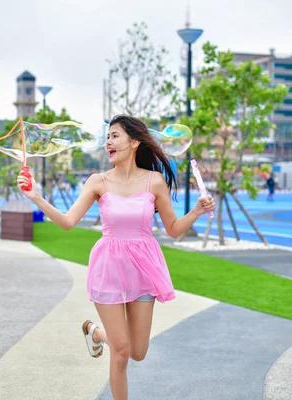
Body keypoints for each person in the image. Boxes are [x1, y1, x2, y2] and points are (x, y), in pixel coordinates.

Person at [17, 115, 216, 400]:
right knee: (121, 353)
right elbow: (67, 221)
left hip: (145, 269)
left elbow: (172, 229)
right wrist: (36, 196)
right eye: (108, 137)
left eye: (115, 136)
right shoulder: (98, 181)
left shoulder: (155, 181)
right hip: (109, 268)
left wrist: (195, 211)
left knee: (137, 352)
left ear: (134, 142)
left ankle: (96, 333)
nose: (108, 142)